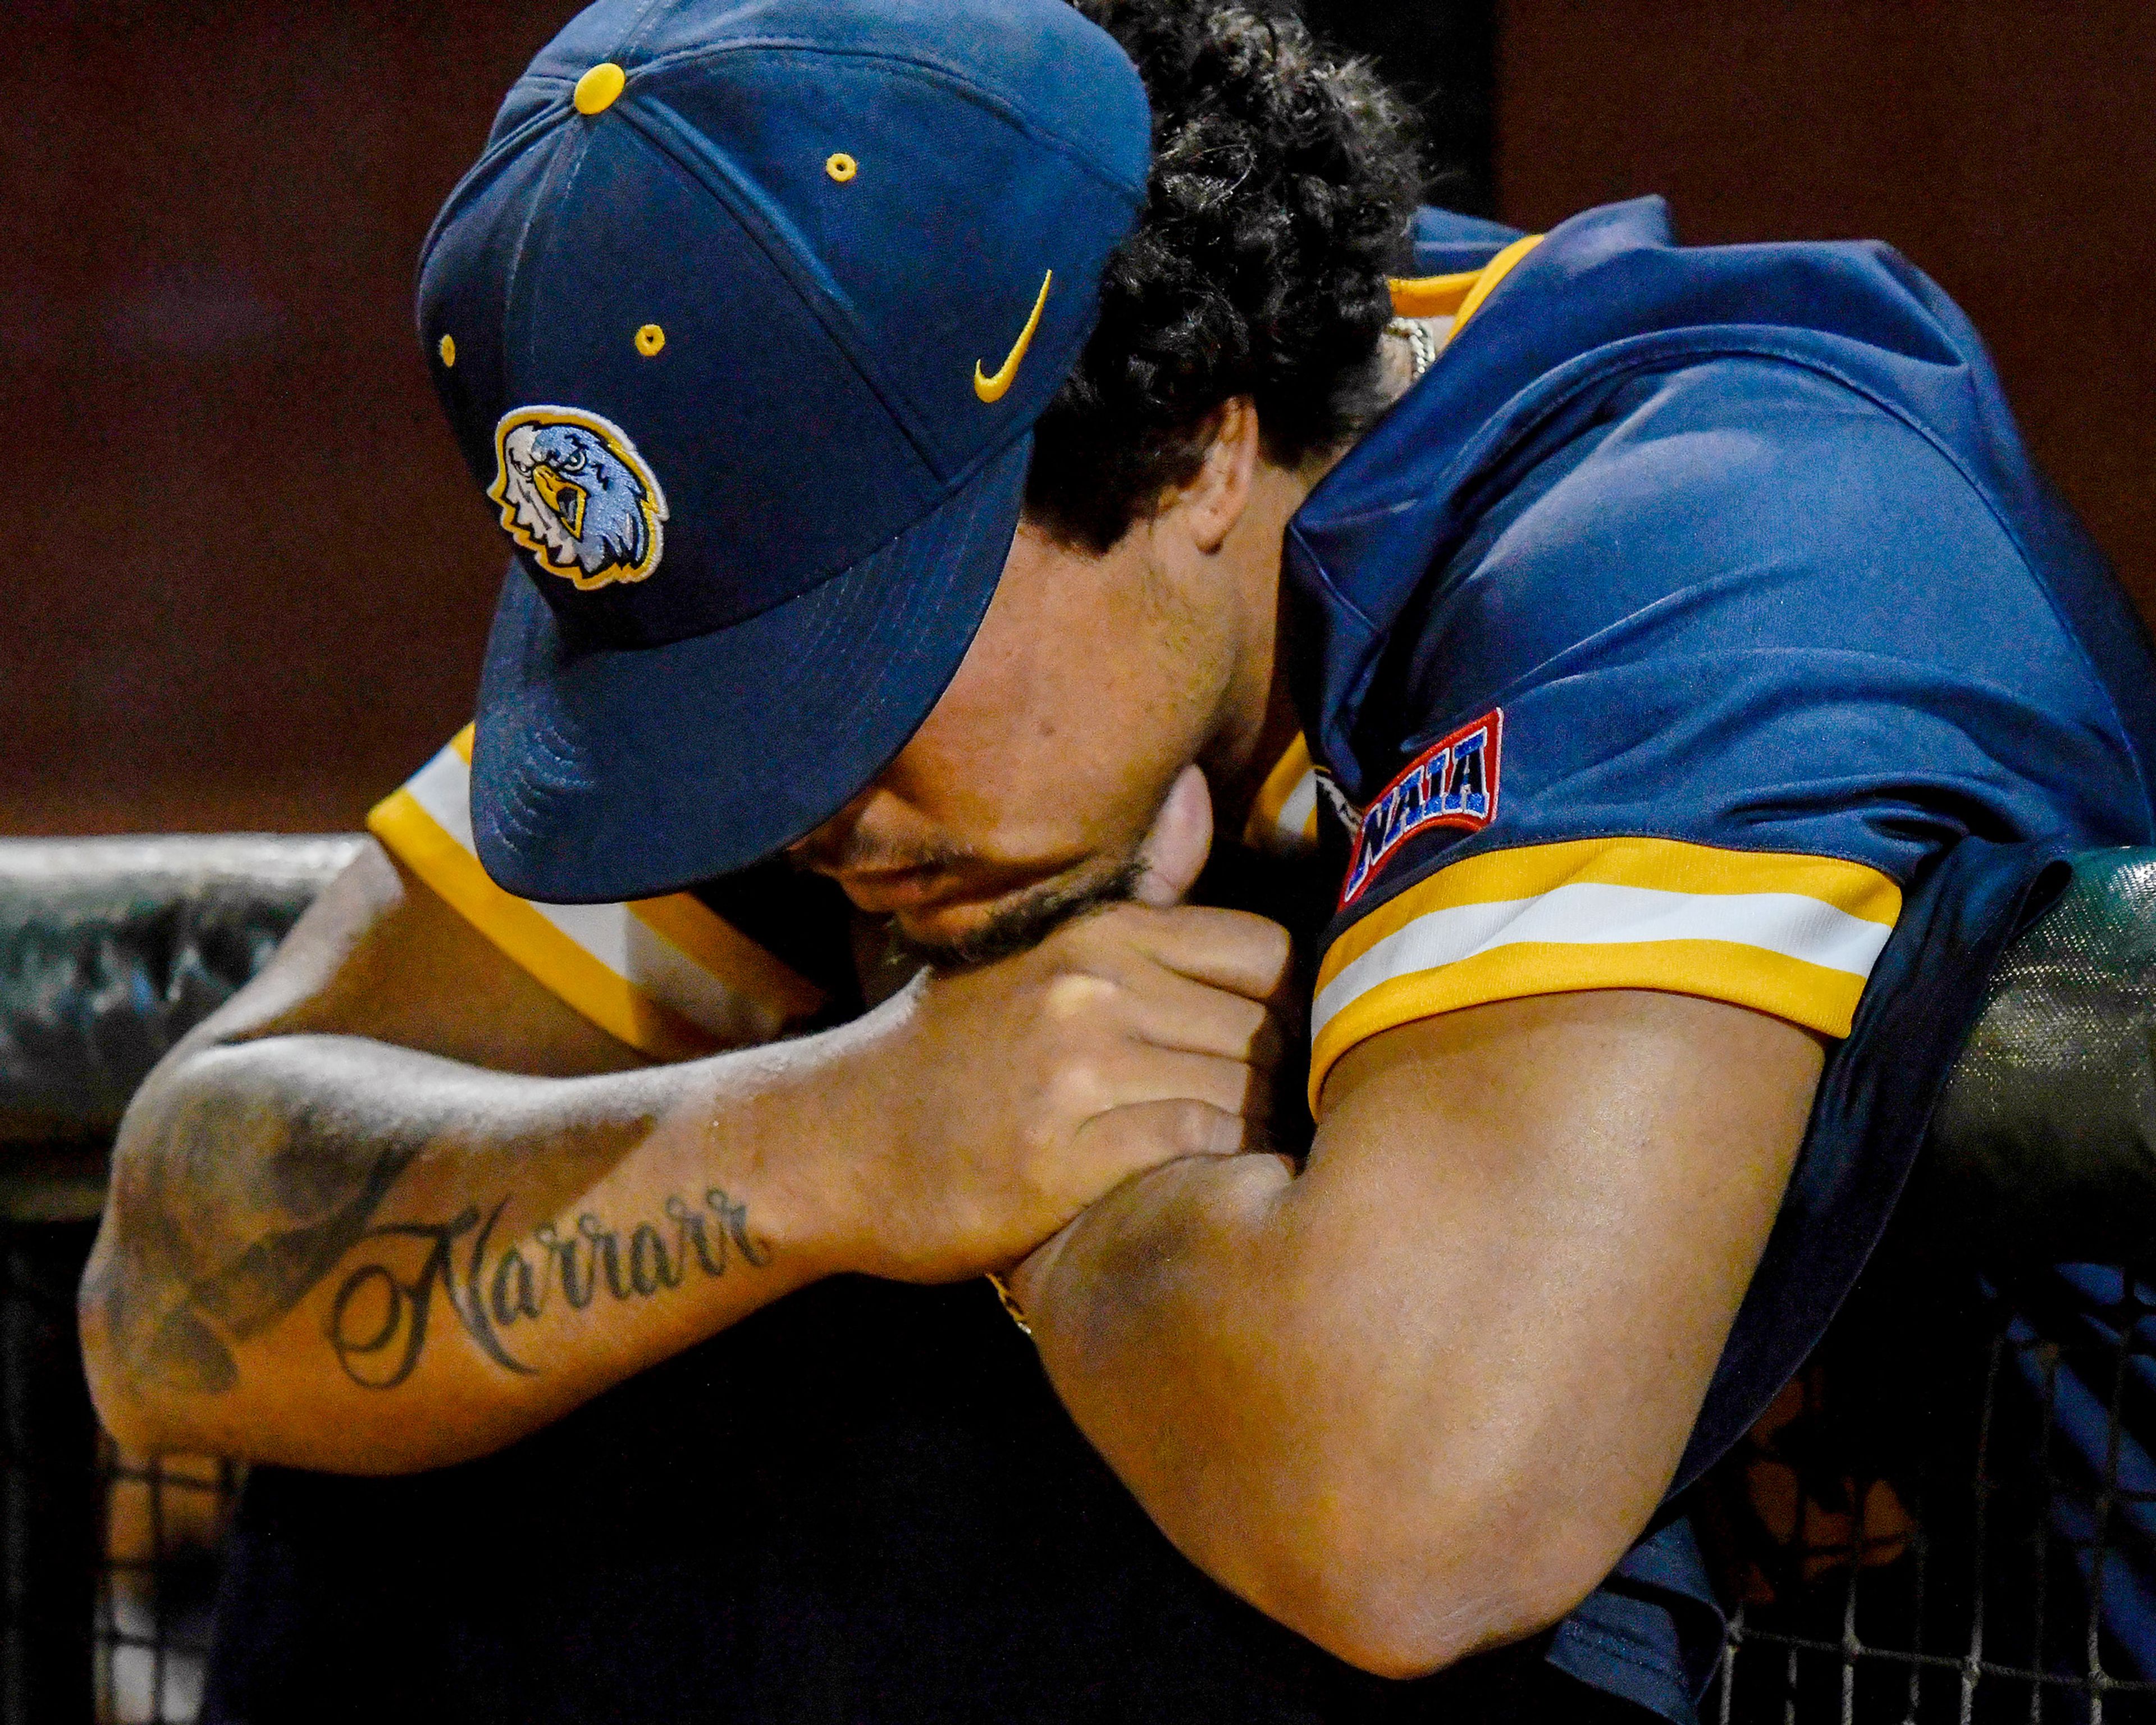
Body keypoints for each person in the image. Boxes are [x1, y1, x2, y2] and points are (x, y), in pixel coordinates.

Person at [76, 0, 2156, 1718]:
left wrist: (1025, 1198)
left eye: (857, 679)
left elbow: (1414, 1508)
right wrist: (850, 1141)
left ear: (1197, 442)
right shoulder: (936, 599)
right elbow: (174, 1279)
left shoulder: (1706, 523)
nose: (812, 803)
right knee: (450, 1434)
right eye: (725, 702)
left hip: (1991, 1656)